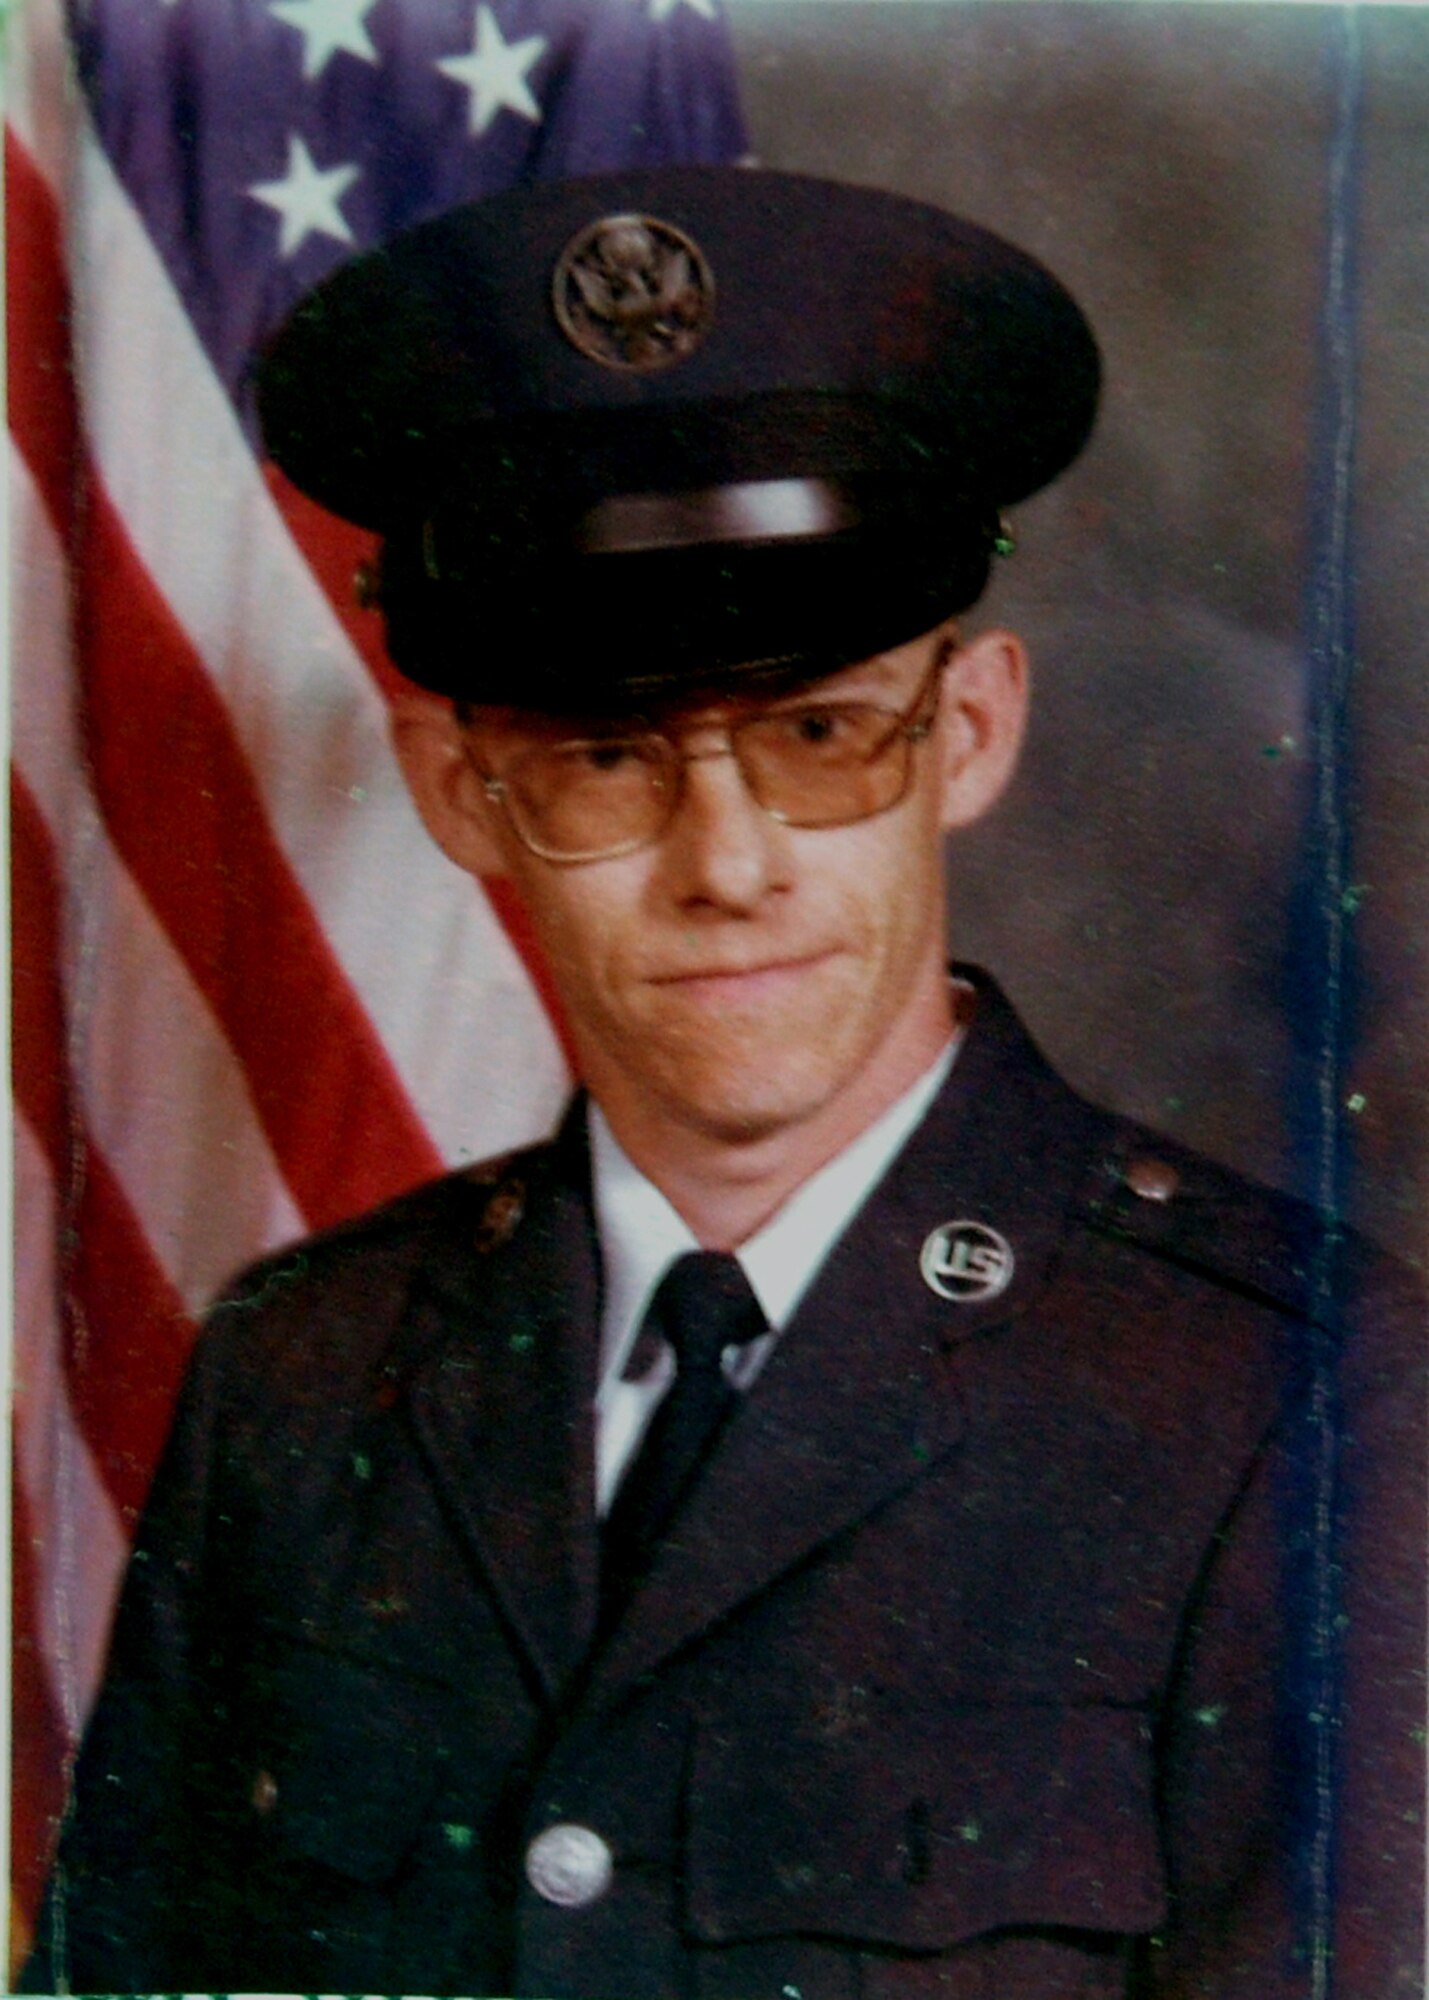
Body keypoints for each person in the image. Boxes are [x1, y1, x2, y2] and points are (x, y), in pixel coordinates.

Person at [24, 167, 1424, 2000]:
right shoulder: (301, 1379)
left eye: (820, 735)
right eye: (609, 757)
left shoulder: (1294, 1400)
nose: (727, 859)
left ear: (971, 729)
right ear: (461, 793)